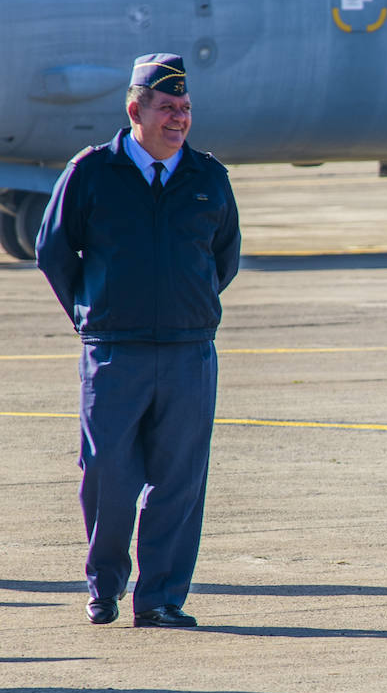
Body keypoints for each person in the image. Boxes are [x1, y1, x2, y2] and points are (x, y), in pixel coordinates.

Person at [35, 54, 241, 627]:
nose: (179, 118)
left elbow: (223, 259)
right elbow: (53, 251)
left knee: (180, 479)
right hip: (113, 352)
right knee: (107, 475)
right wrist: (92, 311)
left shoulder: (208, 177)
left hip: (188, 351)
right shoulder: (92, 172)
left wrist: (188, 305)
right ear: (135, 110)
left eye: (185, 108)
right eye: (167, 107)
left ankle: (160, 598)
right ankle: (104, 586)